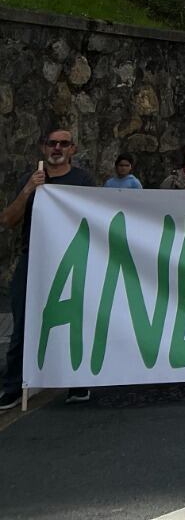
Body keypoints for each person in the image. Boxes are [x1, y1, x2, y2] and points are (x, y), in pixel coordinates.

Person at [2, 128, 95, 409]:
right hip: (33, 259)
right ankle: (13, 385)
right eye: (52, 143)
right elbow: (8, 220)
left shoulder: (81, 180)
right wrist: (30, 189)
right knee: (23, 323)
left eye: (63, 144)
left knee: (73, 320)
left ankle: (77, 381)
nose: (57, 148)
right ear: (44, 148)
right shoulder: (29, 179)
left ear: (73, 149)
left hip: (69, 259)